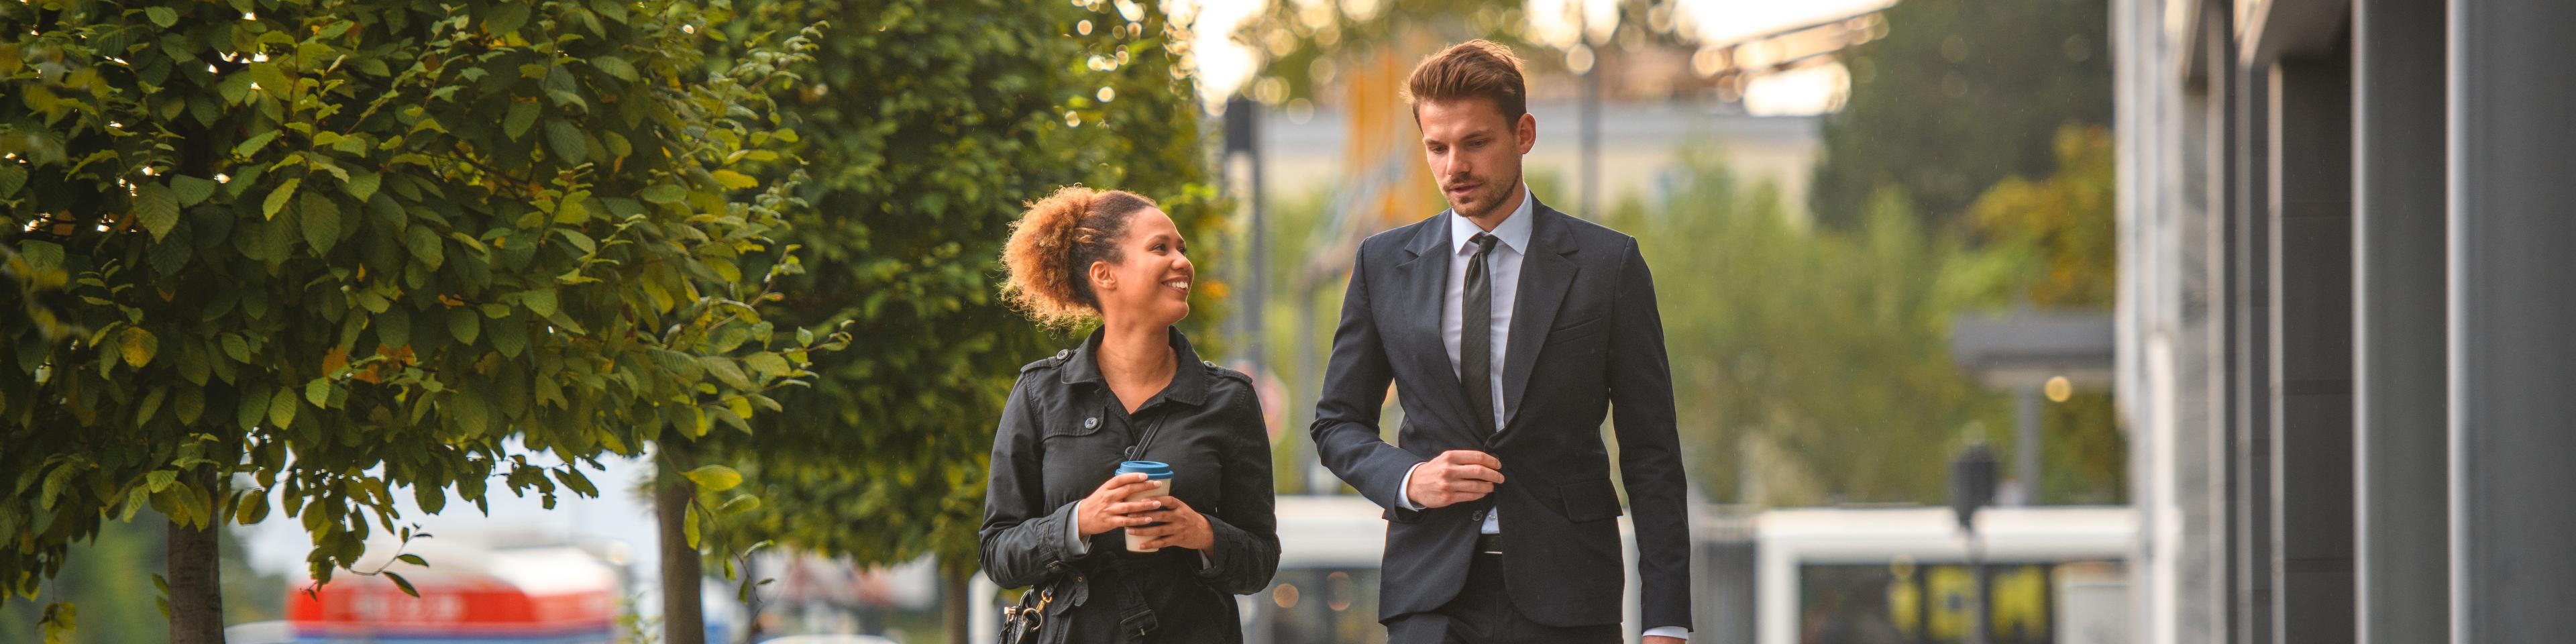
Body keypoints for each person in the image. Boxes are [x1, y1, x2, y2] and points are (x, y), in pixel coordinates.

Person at [1307, 40, 1694, 644]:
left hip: (1569, 592)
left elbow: (1652, 453)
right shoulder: (1383, 264)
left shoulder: (1607, 264)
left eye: (1475, 143)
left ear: (1524, 134)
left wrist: (1667, 619)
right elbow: (1336, 424)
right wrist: (1410, 480)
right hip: (1429, 593)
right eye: (1437, 147)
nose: (1452, 167)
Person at [979, 187, 1280, 643]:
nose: (1182, 262)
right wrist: (1078, 521)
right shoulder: (1040, 393)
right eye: (1160, 247)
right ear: (1105, 274)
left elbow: (1259, 562)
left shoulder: (1230, 400)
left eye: (1182, 248)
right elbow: (998, 552)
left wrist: (1201, 533)